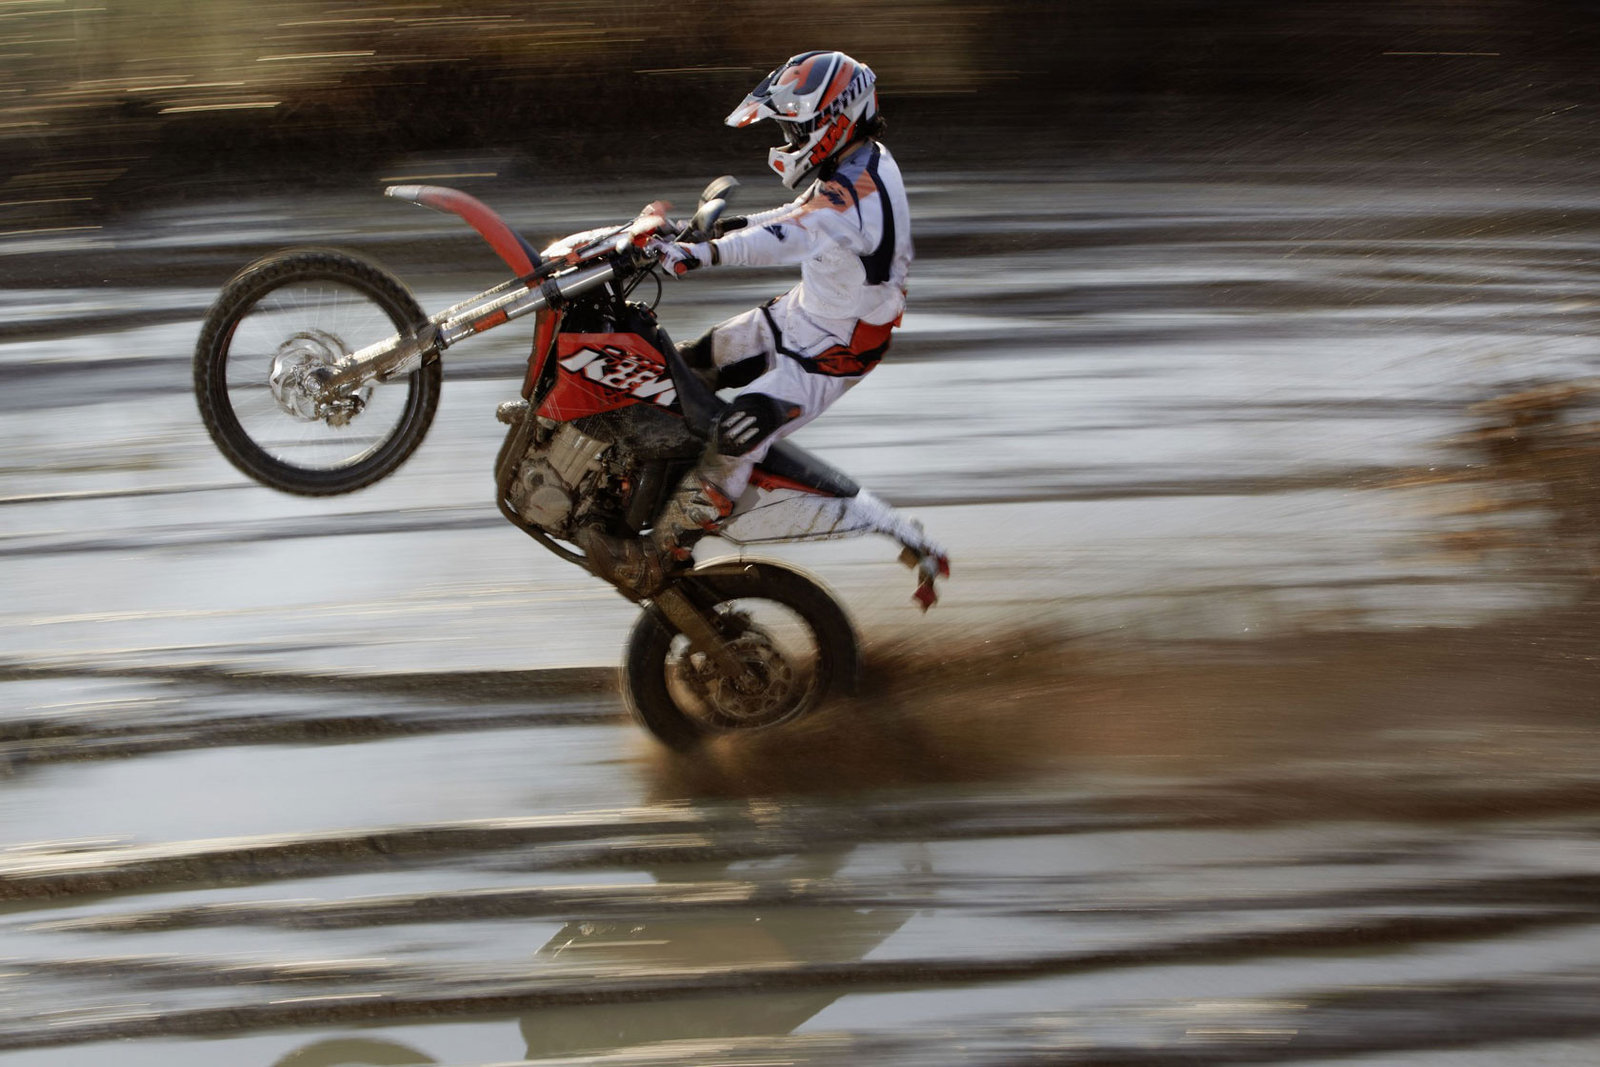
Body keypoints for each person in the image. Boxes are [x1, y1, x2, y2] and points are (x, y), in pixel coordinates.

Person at [580, 49, 912, 596]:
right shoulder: (856, 162)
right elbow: (793, 215)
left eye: (794, 127)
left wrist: (703, 255)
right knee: (684, 367)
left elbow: (791, 236)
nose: (787, 138)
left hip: (832, 355)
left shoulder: (862, 192)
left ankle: (658, 556)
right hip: (802, 315)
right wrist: (702, 232)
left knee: (739, 432)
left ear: (832, 119)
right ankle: (625, 480)